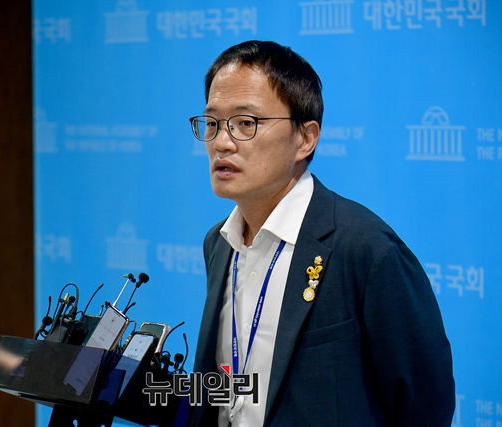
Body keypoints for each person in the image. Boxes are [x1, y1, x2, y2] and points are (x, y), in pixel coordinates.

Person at [188, 40, 455, 426]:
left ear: (305, 138)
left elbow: (425, 405)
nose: (221, 142)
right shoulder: (219, 243)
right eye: (212, 123)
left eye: (246, 123)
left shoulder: (366, 250)